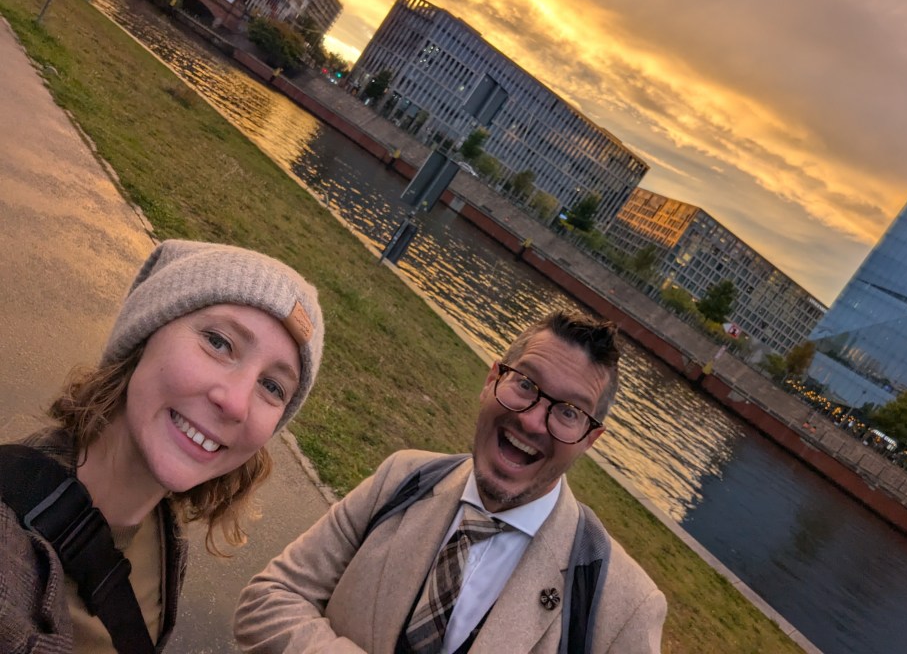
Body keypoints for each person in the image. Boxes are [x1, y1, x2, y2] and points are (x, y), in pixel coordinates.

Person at [234, 309, 666, 653]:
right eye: (527, 383)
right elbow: (269, 599)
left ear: (590, 439)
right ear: (492, 379)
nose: (533, 420)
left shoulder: (623, 606)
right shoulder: (402, 479)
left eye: (570, 411)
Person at [0, 239, 324, 653]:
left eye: (272, 386)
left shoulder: (163, 532)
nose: (237, 402)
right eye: (219, 342)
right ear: (145, 335)